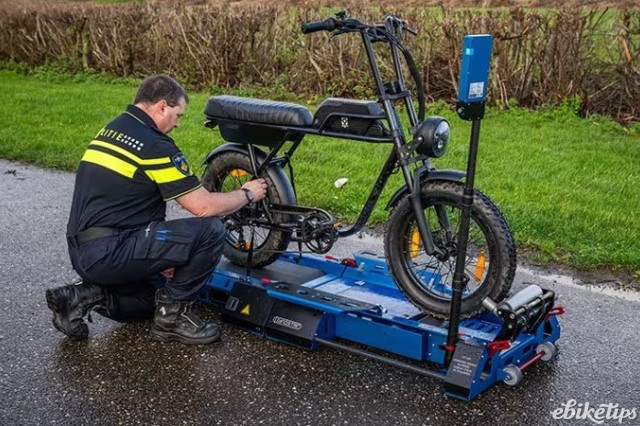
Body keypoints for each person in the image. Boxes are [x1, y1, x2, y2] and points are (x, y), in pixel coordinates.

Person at [45, 74, 267, 345]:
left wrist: (161, 257)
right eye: (177, 115)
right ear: (162, 106)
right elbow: (204, 206)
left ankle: (79, 298)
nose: (177, 124)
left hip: (84, 252)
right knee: (211, 230)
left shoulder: (113, 129)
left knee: (152, 296)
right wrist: (247, 193)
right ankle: (171, 321)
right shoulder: (154, 145)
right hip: (112, 250)